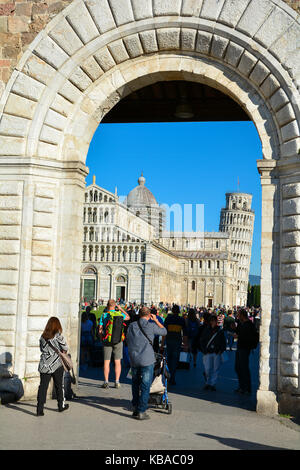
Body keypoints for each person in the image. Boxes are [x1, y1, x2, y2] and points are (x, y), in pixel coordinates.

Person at [126, 306, 167, 420]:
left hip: (134, 358)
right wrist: (156, 320)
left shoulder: (132, 325)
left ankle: (135, 406)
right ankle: (142, 410)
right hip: (147, 359)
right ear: (149, 315)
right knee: (145, 385)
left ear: (139, 315)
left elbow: (128, 340)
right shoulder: (151, 325)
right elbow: (164, 331)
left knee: (135, 383)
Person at [37, 317, 69, 416]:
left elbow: (41, 349)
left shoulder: (42, 337)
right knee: (59, 386)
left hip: (44, 364)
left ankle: (40, 409)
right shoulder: (58, 336)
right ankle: (60, 405)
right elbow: (65, 347)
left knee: (43, 387)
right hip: (56, 364)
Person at [98, 299, 130, 389]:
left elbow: (100, 329)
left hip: (107, 340)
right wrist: (121, 309)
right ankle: (117, 381)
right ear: (115, 306)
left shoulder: (104, 315)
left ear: (107, 306)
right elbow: (128, 317)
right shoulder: (119, 314)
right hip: (118, 340)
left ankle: (106, 381)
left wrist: (101, 338)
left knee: (106, 362)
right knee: (118, 362)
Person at [160, 304, 188, 385]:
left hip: (169, 341)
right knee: (175, 361)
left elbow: (164, 333)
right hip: (177, 342)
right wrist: (185, 345)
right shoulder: (181, 320)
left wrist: (162, 344)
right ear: (179, 311)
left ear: (172, 311)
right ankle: (172, 377)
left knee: (168, 360)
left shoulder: (168, 318)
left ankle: (168, 377)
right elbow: (185, 334)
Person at [234, 309, 259, 395]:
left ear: (242, 315)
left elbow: (247, 337)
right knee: (238, 367)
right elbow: (239, 332)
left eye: (238, 315)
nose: (237, 316)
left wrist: (238, 335)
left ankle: (246, 388)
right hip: (240, 348)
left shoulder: (249, 325)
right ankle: (241, 386)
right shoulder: (242, 324)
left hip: (245, 348)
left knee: (244, 368)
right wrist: (235, 330)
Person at [199, 315, 226, 391]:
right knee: (207, 369)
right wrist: (204, 349)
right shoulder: (206, 330)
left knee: (215, 369)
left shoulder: (220, 331)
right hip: (207, 352)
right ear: (210, 322)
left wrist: (221, 350)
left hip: (216, 352)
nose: (213, 322)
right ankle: (207, 382)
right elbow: (202, 340)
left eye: (215, 321)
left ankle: (212, 384)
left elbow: (223, 342)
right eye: (212, 321)